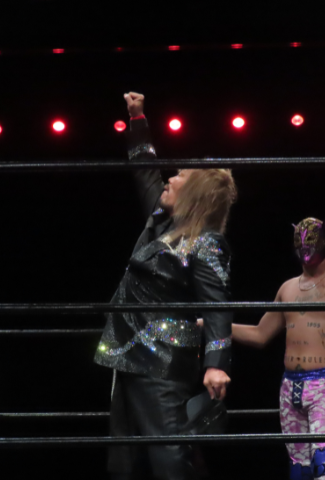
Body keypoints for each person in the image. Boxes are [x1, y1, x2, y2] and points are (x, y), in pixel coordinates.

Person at [93, 92, 237, 480]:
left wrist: (216, 365)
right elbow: (146, 174)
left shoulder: (206, 241)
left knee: (169, 454)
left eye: (179, 176)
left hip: (162, 359)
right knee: (125, 460)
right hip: (129, 354)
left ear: (194, 194)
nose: (170, 178)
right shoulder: (161, 223)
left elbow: (217, 304)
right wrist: (137, 120)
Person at [231, 217, 325, 480]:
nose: (305, 246)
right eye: (300, 240)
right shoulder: (287, 288)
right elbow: (260, 334)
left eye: (312, 239)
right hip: (289, 386)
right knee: (299, 470)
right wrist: (215, 326)